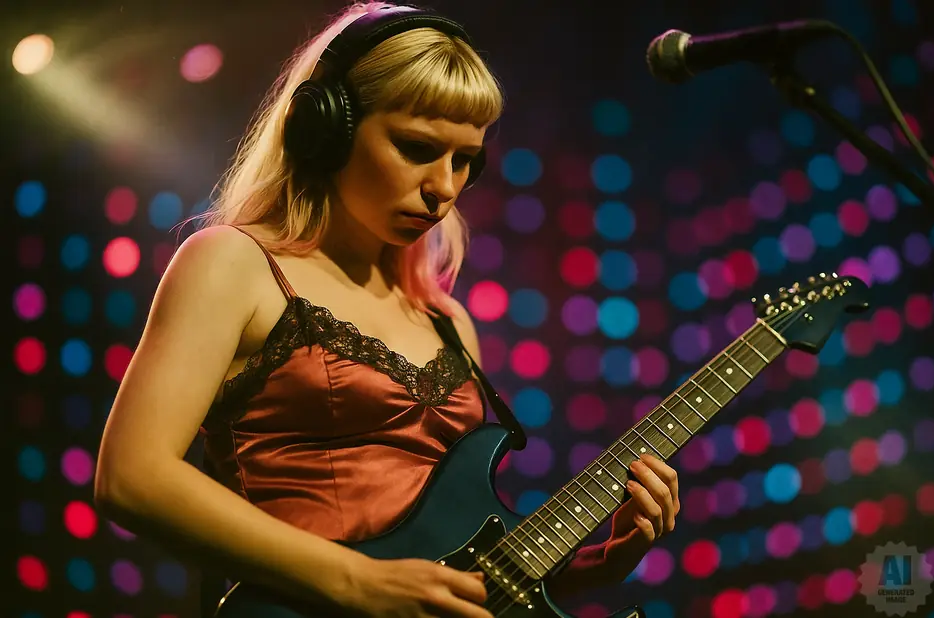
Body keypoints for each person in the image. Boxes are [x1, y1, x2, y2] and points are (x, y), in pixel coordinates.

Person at [94, 2, 681, 616]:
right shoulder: (232, 262)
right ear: (326, 129)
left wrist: (596, 566)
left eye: (464, 161)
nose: (444, 187)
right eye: (416, 147)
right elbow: (131, 477)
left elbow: (458, 575)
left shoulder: (450, 324)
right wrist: (358, 582)